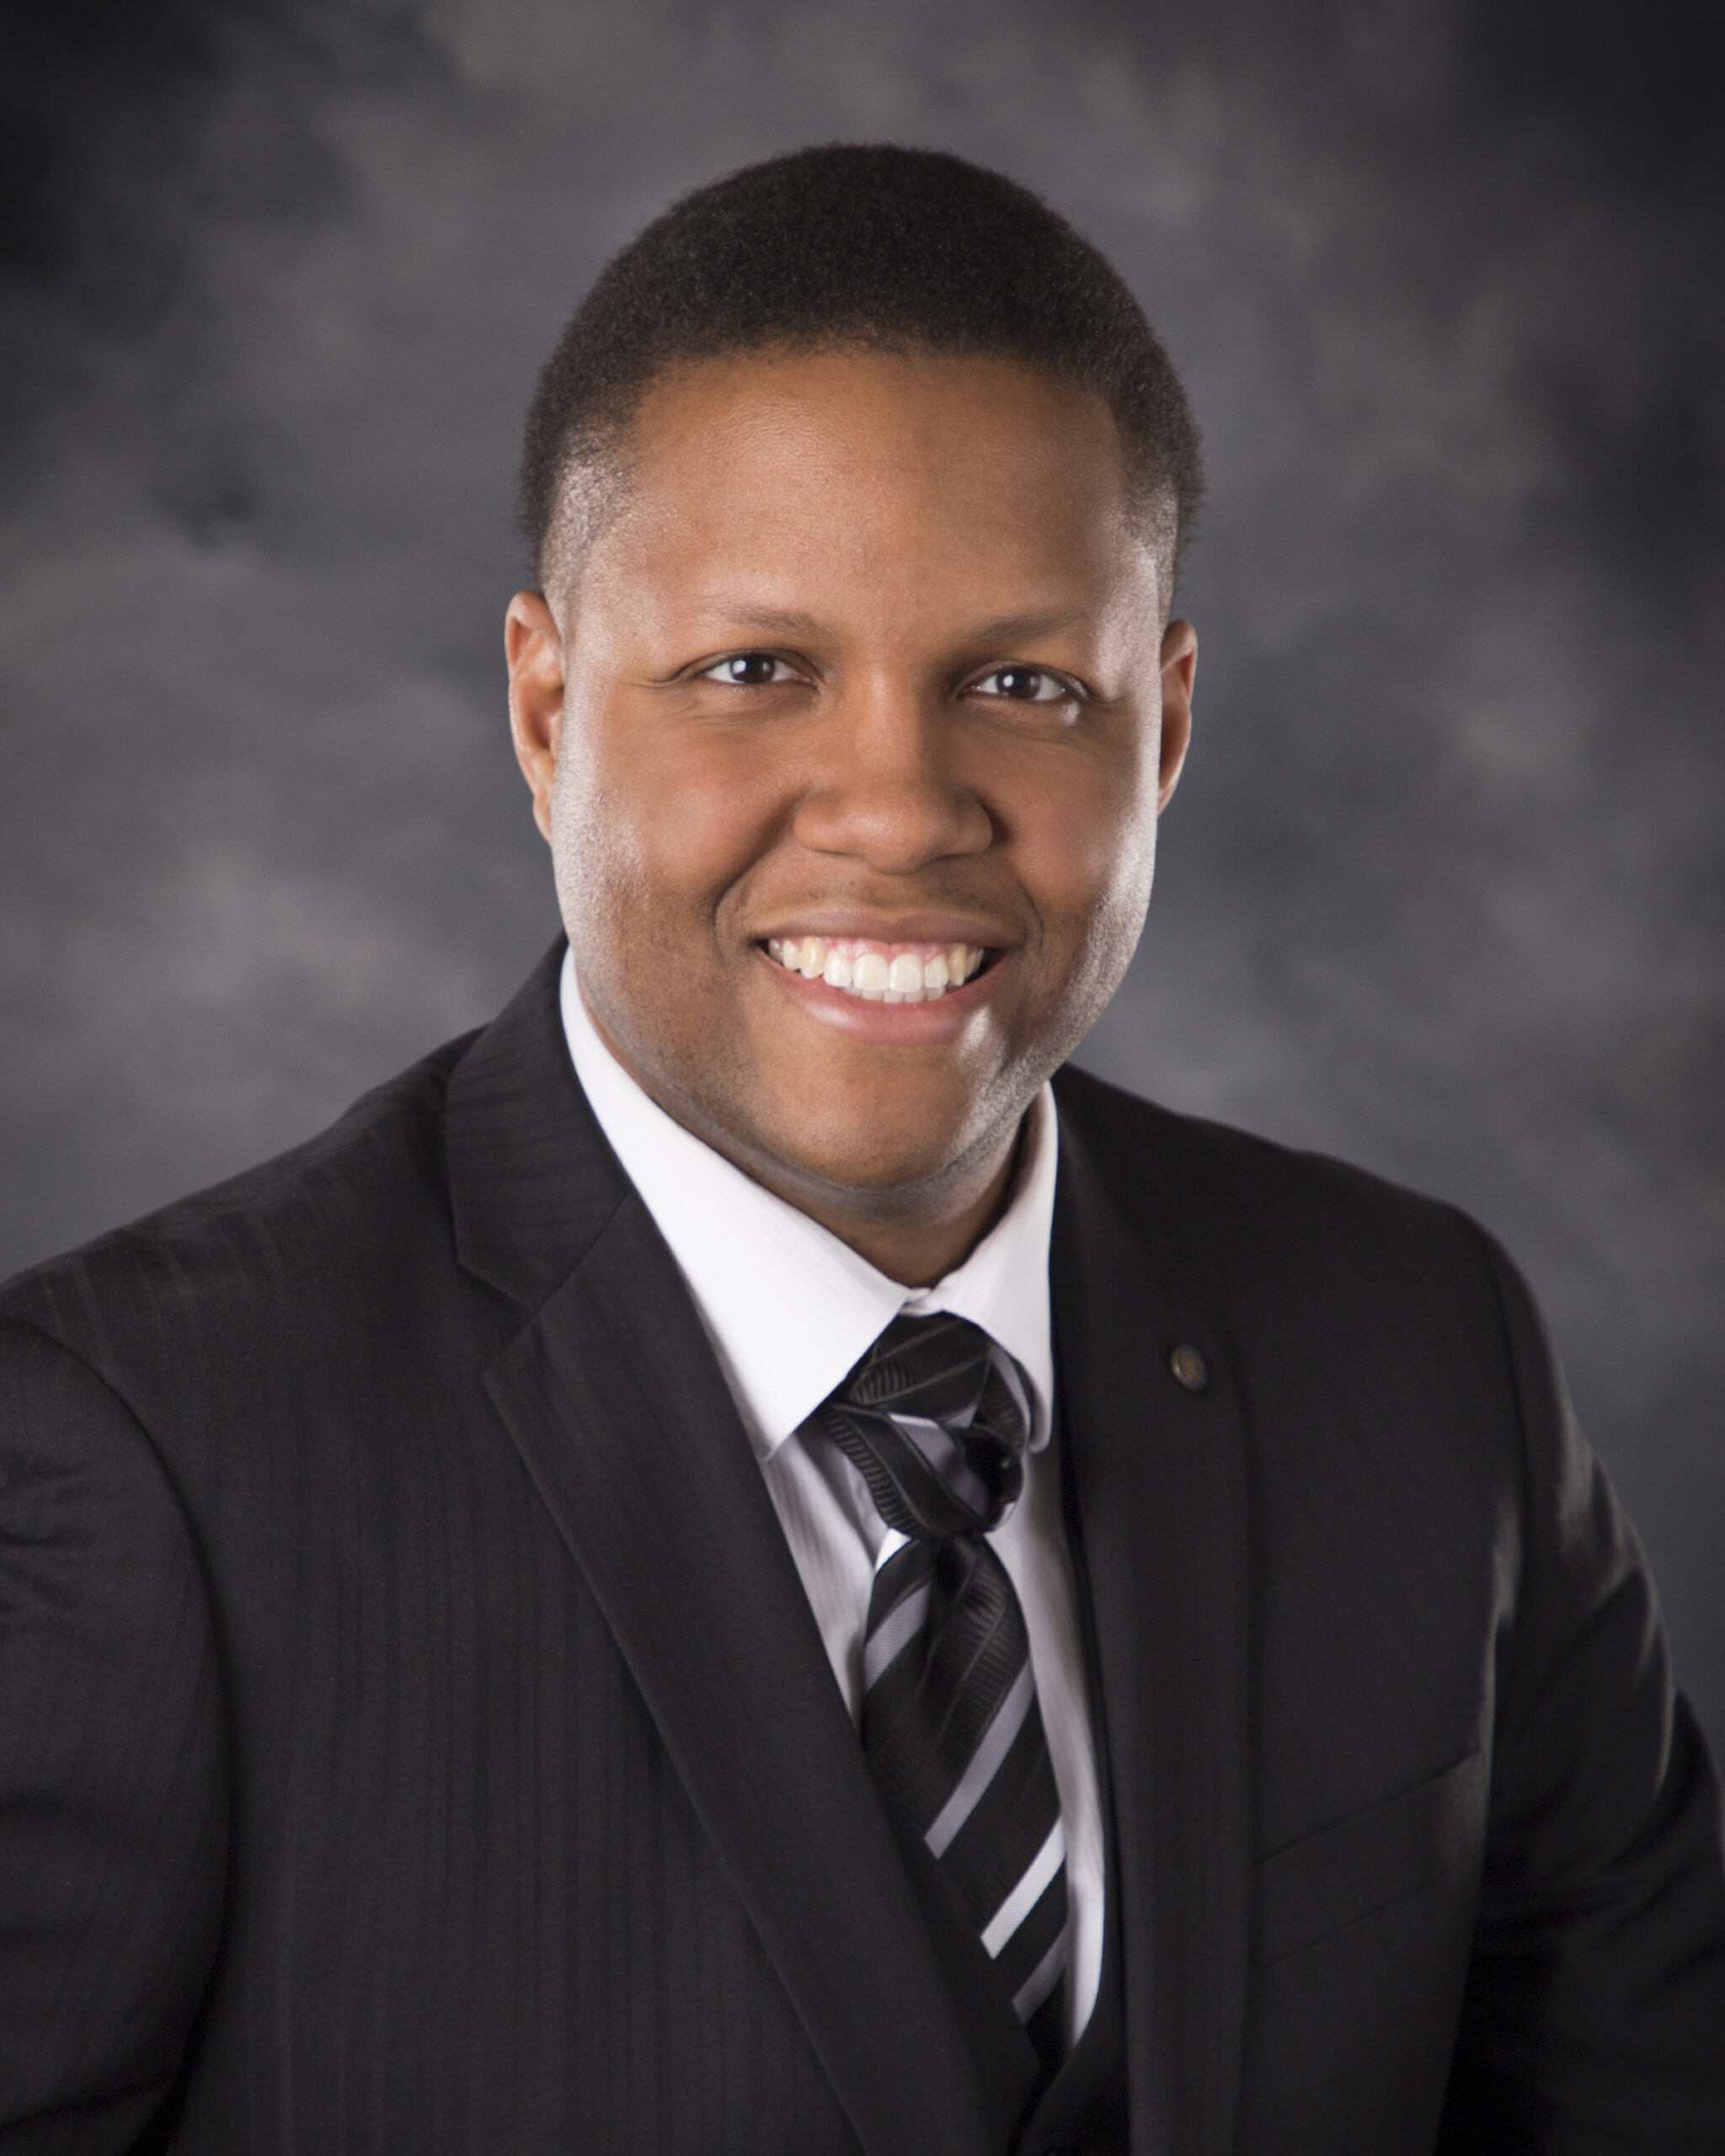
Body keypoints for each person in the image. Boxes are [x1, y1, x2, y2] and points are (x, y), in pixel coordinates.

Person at [1, 144, 1721, 2156]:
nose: (899, 808)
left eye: (1021, 682)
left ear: (1162, 728)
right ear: (549, 713)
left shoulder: (1425, 1353)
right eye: (756, 671)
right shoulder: (142, 1450)